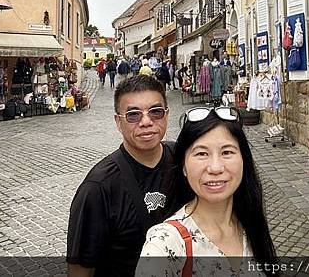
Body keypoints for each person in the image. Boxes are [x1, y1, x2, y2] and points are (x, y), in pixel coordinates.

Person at [136, 107, 277, 276]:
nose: (215, 168)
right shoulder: (165, 245)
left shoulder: (249, 223)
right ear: (184, 166)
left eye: (227, 152)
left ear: (244, 160)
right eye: (202, 153)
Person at [67, 75, 175, 277]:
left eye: (156, 112)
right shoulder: (98, 188)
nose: (146, 121)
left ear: (167, 115)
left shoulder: (184, 162)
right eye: (133, 115)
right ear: (118, 122)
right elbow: (80, 269)